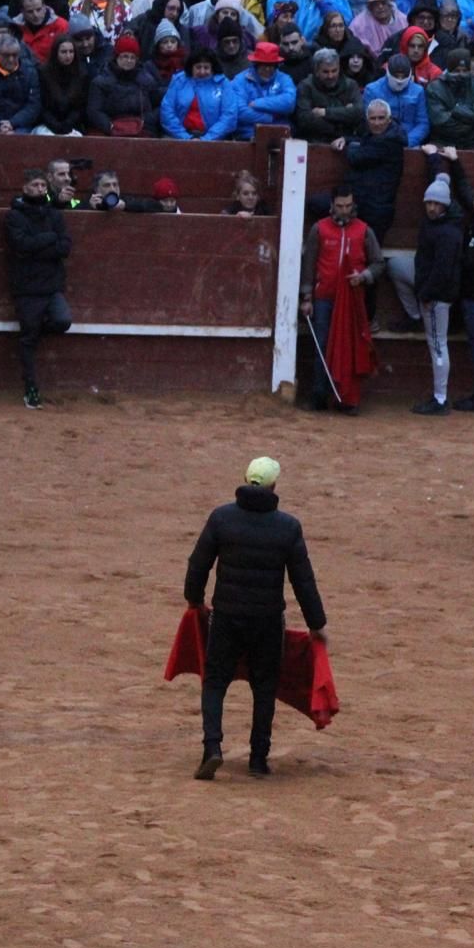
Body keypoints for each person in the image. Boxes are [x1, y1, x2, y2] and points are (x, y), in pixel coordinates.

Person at [184, 455, 327, 780]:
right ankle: (258, 758)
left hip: (227, 616)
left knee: (215, 681)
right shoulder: (287, 526)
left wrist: (194, 600)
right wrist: (316, 624)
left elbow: (198, 564)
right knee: (264, 686)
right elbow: (303, 580)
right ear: (275, 486)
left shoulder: (222, 519)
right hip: (266, 620)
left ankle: (212, 747)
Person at [299, 184, 381, 414]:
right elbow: (309, 264)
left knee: (349, 347)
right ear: (332, 205)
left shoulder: (364, 230)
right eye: (340, 206)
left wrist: (363, 276)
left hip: (353, 300)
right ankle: (319, 395)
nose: (344, 211)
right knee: (323, 346)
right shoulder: (320, 229)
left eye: (348, 206)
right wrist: (307, 297)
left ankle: (346, 399)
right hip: (324, 297)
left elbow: (378, 263)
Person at [5, 169, 73, 410]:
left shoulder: (53, 212)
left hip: (50, 285)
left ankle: (36, 330)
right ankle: (31, 389)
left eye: (43, 186)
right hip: (27, 287)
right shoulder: (15, 215)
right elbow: (22, 246)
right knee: (28, 341)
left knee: (63, 320)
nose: (40, 189)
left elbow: (65, 247)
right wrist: (49, 239)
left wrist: (40, 244)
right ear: (25, 188)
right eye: (35, 185)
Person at [410, 170, 465, 416]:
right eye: (429, 203)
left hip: (437, 296)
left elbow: (442, 270)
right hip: (436, 292)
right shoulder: (441, 225)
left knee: (438, 346)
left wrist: (426, 293)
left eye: (436, 204)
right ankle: (439, 396)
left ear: (445, 205)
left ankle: (440, 398)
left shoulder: (446, 231)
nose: (432, 207)